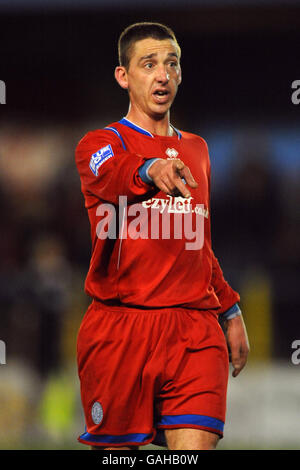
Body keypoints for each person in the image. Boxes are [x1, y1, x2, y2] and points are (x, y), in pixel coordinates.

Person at [75, 22, 249, 451]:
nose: (162, 75)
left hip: (194, 329)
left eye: (172, 64)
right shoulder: (99, 144)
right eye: (148, 64)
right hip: (120, 328)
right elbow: (113, 176)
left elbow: (199, 244)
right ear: (123, 76)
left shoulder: (198, 149)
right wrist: (150, 169)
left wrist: (229, 309)